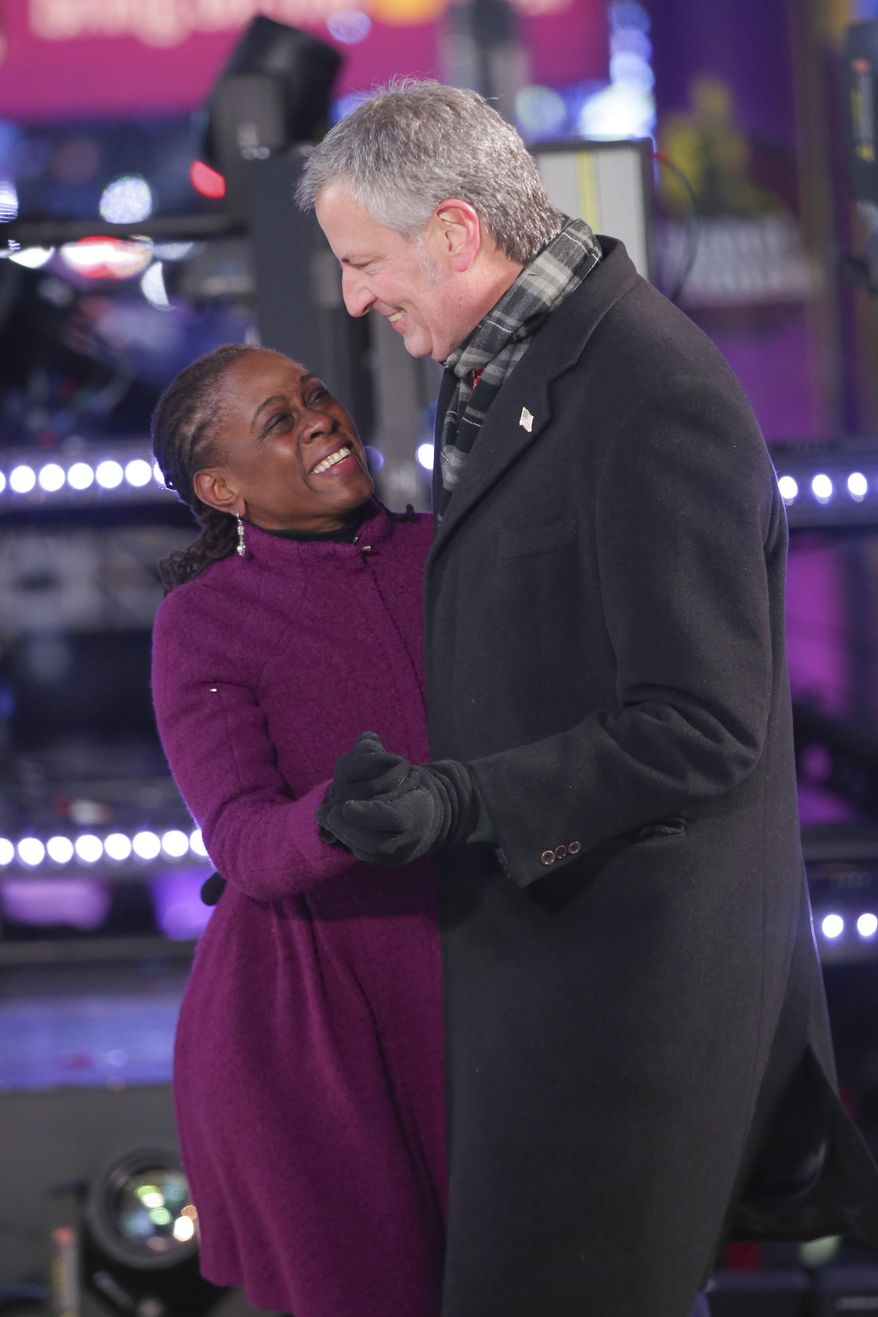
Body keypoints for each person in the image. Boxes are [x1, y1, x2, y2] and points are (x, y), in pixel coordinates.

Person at [297, 80, 878, 1317]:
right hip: (554, 977)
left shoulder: (647, 390)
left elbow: (701, 720)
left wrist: (462, 802)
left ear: (455, 232)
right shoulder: (509, 361)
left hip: (626, 1002)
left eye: (363, 261)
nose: (353, 296)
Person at [150, 344, 446, 1317]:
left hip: (485, 989)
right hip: (310, 1035)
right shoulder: (204, 619)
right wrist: (338, 815)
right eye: (278, 419)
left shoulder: (454, 550)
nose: (319, 418)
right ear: (220, 487)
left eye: (315, 396)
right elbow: (238, 839)